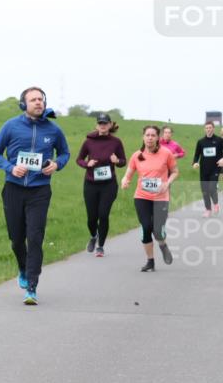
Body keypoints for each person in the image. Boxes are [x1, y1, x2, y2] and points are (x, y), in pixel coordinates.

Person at [0, 86, 70, 305]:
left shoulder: (53, 130)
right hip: (14, 189)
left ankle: (32, 287)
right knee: (17, 239)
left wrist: (56, 164)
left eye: (40, 99)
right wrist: (10, 167)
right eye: (33, 99)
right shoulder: (11, 126)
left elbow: (65, 153)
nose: (38, 103)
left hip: (40, 191)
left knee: (35, 238)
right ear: (23, 104)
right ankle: (23, 268)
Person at [121, 125, 179, 272]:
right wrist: (125, 180)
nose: (150, 138)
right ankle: (150, 261)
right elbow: (129, 172)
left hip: (161, 197)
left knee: (158, 230)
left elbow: (175, 172)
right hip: (142, 196)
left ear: (158, 138)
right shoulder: (137, 155)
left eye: (153, 135)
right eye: (147, 135)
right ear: (143, 137)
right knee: (146, 227)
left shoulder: (166, 154)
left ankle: (162, 244)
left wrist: (167, 183)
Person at [76, 112, 126, 257]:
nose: (102, 126)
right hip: (91, 183)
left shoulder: (116, 142)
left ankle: (101, 246)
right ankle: (93, 236)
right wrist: (87, 163)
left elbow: (123, 161)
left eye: (105, 123)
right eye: (100, 123)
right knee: (92, 217)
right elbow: (79, 159)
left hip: (109, 185)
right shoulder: (88, 141)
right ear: (96, 125)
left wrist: (117, 161)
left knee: (103, 215)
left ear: (110, 125)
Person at [192, 120, 223, 217]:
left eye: (210, 128)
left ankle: (216, 204)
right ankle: (208, 210)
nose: (208, 129)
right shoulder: (201, 142)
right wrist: (195, 163)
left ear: (213, 128)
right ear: (204, 129)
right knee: (205, 190)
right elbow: (196, 155)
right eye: (207, 128)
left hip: (215, 168)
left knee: (212, 187)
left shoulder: (219, 140)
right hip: (204, 169)